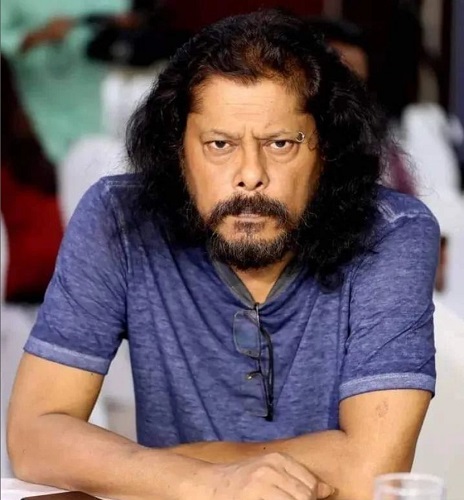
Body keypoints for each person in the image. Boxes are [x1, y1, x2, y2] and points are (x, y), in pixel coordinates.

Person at [7, 10, 440, 500]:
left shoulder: (392, 231)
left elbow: (371, 469)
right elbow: (33, 437)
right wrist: (211, 483)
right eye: (219, 144)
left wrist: (135, 469)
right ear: (178, 153)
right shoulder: (120, 218)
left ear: (326, 152)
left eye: (281, 143)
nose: (250, 174)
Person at [0, 0, 129, 165]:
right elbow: (5, 38)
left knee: (96, 160)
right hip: (39, 101)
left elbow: (122, 12)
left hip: (89, 94)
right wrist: (40, 36)